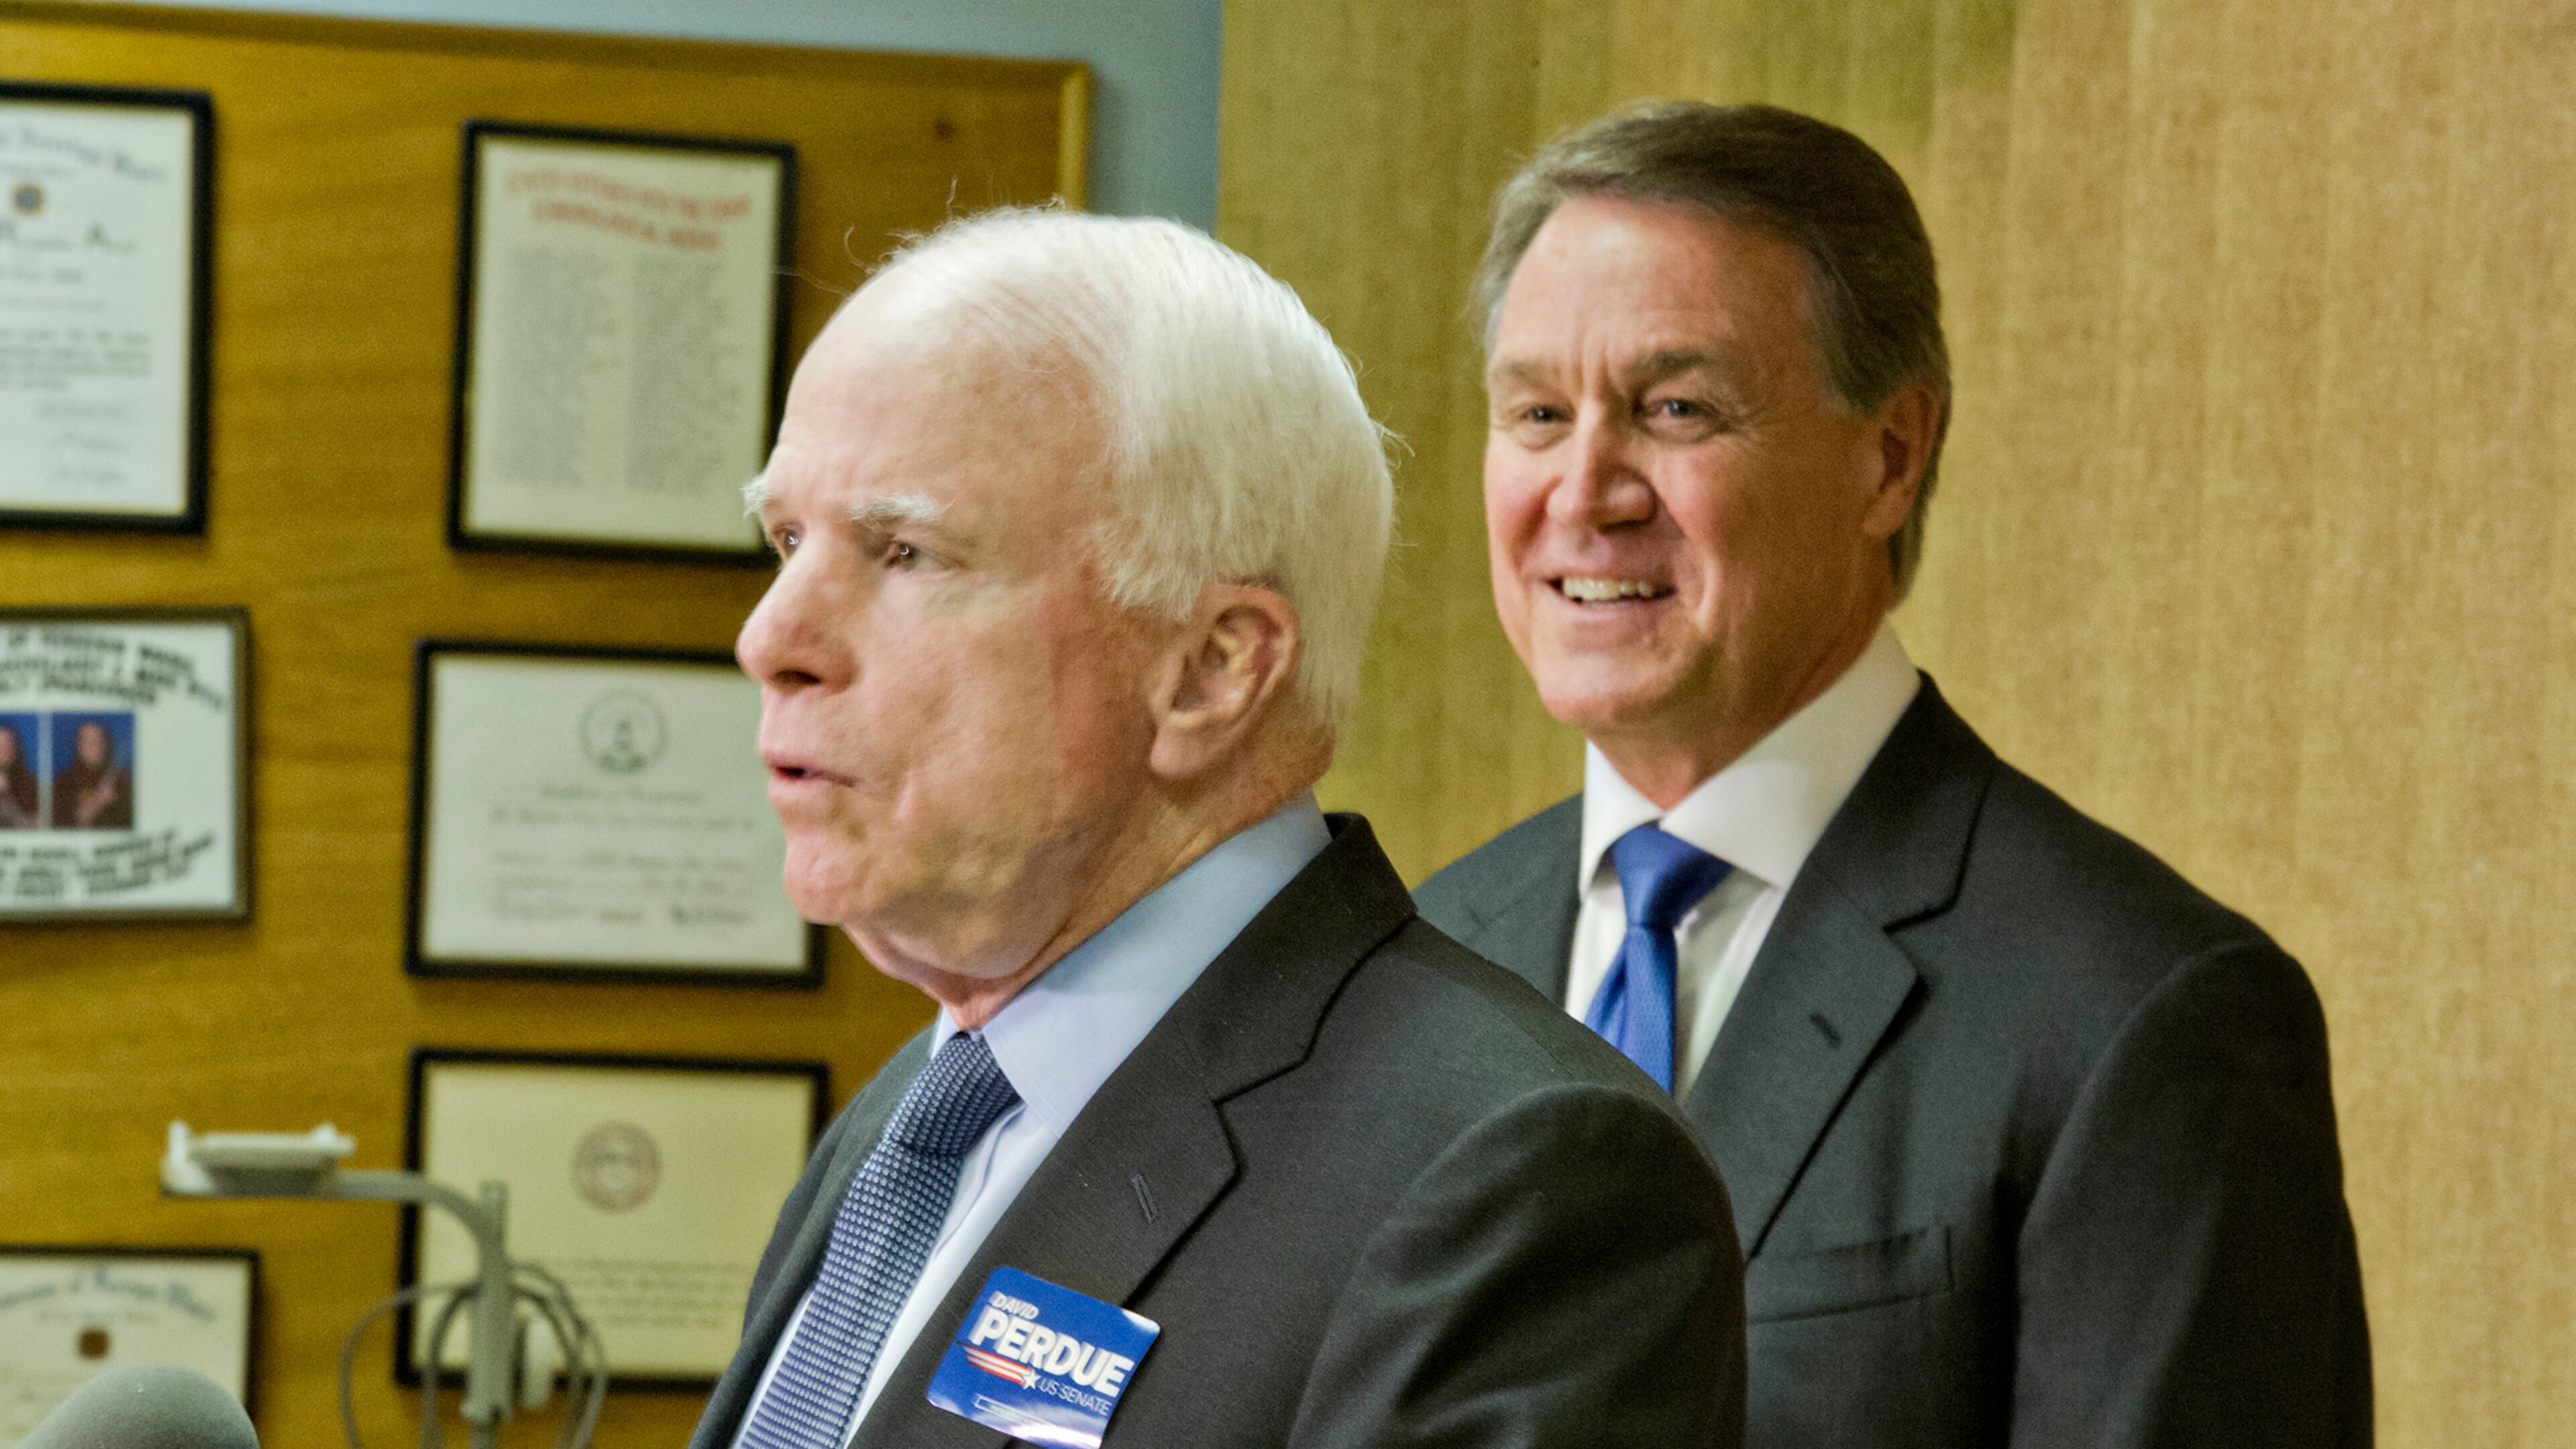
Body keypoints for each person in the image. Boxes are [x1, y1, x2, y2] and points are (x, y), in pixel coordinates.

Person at [691, 207, 1746, 1449]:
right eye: (789, 540)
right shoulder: (927, 1113)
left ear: (1211, 669)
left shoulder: (1524, 1187)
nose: (772, 638)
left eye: (906, 551)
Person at [1413, 103, 2371, 1448]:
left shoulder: (2146, 1021)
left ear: (1890, 456)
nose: (1585, 489)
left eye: (1673, 407)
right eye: (1536, 412)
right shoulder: (1422, 958)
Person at [50, 718, 131, 830]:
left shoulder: (121, 778)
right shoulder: (64, 780)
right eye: (86, 741)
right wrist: (99, 800)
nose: (93, 746)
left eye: (97, 740)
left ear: (105, 744)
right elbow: (63, 826)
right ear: (78, 746)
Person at [0, 722, 37, 828]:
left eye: (9, 745)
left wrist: (7, 793)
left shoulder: (30, 783)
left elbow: (35, 826)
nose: (4, 751)